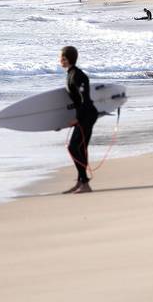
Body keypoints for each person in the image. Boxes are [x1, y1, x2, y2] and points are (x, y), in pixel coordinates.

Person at [60, 46, 97, 194]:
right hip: (84, 115)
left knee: (73, 147)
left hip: (87, 115)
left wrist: (77, 119)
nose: (60, 60)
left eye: (61, 58)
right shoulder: (70, 74)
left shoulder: (77, 75)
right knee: (80, 148)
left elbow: (85, 101)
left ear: (67, 59)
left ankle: (85, 183)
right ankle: (81, 182)